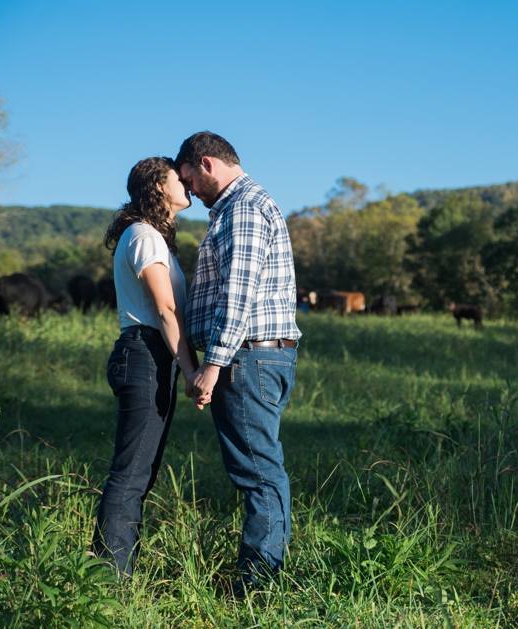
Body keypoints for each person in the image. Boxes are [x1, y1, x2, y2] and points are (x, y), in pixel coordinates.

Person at [177, 131, 301, 594]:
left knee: (258, 471)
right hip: (255, 355)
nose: (189, 190)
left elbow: (239, 294)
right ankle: (263, 575)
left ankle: (258, 585)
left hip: (248, 356)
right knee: (259, 467)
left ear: (206, 163)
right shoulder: (239, 206)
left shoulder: (243, 207)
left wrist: (213, 363)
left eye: (189, 179)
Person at [92, 156, 208, 575]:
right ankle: (110, 578)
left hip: (151, 357)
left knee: (140, 471)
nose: (189, 186)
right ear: (159, 186)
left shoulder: (151, 236)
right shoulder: (143, 235)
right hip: (145, 355)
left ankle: (114, 567)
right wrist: (192, 369)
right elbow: (165, 308)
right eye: (180, 179)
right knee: (131, 473)